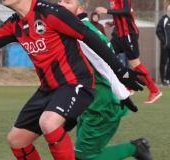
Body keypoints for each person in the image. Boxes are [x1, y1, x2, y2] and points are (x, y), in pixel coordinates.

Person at [0, 0, 146, 159]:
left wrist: (121, 71)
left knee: (48, 122)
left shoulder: (51, 12)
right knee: (16, 140)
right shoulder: (14, 23)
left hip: (76, 83)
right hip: (47, 90)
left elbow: (90, 37)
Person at [58, 0, 152, 160]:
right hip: (91, 102)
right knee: (78, 153)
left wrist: (121, 94)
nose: (60, 4)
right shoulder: (81, 29)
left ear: (80, 8)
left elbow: (105, 65)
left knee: (86, 157)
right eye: (59, 0)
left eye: (67, 2)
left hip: (102, 105)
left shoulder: (82, 33)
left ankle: (135, 148)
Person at [96, 0, 162, 103]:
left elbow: (126, 10)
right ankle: (126, 86)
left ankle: (154, 90)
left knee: (135, 64)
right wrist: (114, 23)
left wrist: (106, 11)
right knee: (107, 57)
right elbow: (121, 14)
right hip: (118, 35)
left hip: (128, 34)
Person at [156, 5, 170, 86]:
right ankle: (162, 80)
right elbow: (158, 31)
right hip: (165, 46)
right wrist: (164, 41)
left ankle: (168, 79)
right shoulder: (163, 19)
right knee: (163, 62)